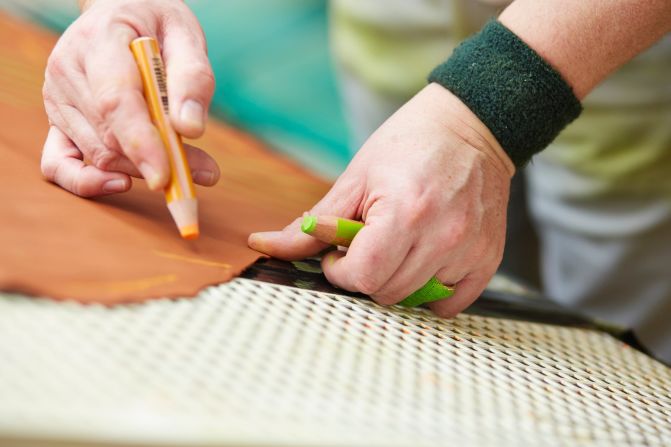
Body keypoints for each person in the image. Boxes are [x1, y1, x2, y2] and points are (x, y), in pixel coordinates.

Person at [42, 0, 671, 361]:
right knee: (408, 277)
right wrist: (115, 12)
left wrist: (483, 116)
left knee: (618, 324)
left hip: (630, 52)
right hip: (392, 30)